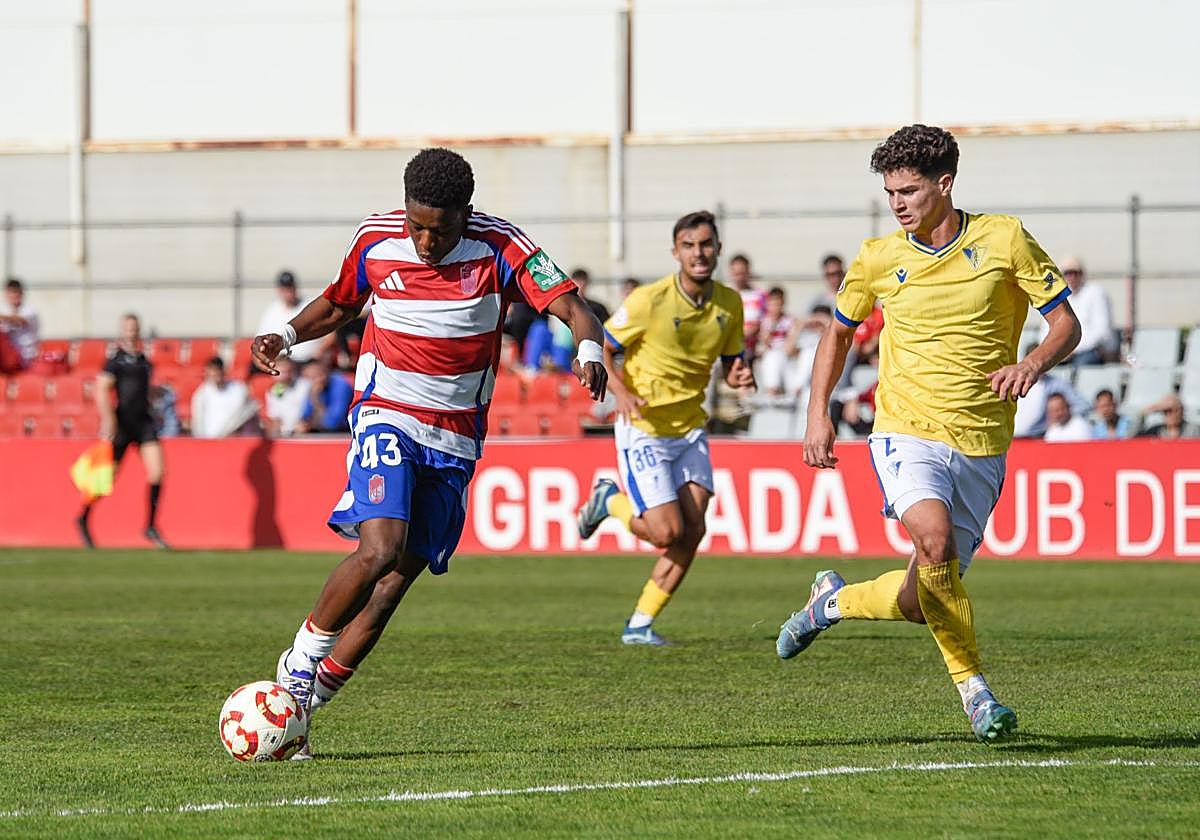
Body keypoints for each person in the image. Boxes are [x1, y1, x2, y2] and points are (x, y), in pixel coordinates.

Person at [252, 148, 607, 758]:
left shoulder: (501, 246)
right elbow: (341, 302)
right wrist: (285, 334)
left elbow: (574, 307)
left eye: (438, 230)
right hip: (386, 414)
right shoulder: (377, 239)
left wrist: (589, 350)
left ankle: (302, 710)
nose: (422, 241)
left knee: (391, 587)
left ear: (465, 215)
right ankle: (298, 665)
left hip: (456, 438)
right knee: (379, 548)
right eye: (416, 225)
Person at [775, 124, 1081, 742]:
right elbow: (837, 333)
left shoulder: (1005, 239)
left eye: (909, 190)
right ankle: (976, 693)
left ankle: (830, 602)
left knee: (923, 597)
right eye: (890, 192)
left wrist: (1031, 363)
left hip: (982, 442)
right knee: (934, 542)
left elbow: (1065, 325)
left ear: (945, 184)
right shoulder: (877, 258)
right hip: (904, 430)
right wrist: (817, 412)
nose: (898, 203)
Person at [576, 210, 756, 646]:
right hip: (645, 429)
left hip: (691, 427)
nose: (699, 253)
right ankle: (610, 502)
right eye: (690, 246)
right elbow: (600, 345)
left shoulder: (729, 304)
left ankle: (639, 625)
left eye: (706, 244)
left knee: (693, 532)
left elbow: (732, 361)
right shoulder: (649, 301)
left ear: (717, 248)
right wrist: (619, 392)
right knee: (665, 531)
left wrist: (739, 376)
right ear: (676, 252)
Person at [78, 313, 170, 549]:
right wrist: (109, 420)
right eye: (128, 329)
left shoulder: (144, 361)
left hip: (143, 422)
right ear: (122, 332)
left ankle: (150, 525)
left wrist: (155, 396)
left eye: (134, 328)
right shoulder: (115, 361)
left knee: (158, 472)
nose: (131, 333)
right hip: (123, 424)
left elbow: (143, 391)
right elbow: (101, 389)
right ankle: (84, 516)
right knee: (106, 479)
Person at [1036, 257, 1114, 365]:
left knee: (1084, 362)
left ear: (1082, 274)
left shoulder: (1095, 293)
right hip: (1063, 352)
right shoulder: (1055, 296)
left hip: (1089, 351)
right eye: (1067, 273)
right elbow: (1044, 332)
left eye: (1076, 273)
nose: (1072, 277)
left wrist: (1072, 350)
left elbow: (1101, 332)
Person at [254, 271, 321, 366]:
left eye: (290, 288)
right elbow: (261, 339)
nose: (287, 293)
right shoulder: (272, 311)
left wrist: (320, 351)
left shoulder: (309, 305)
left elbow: (330, 332)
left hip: (309, 362)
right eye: (284, 289)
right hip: (281, 363)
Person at [755, 286, 799, 399]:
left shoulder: (790, 321)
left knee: (778, 358)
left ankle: (780, 392)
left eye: (778, 304)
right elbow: (764, 344)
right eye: (772, 304)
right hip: (771, 357)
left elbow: (791, 344)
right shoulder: (765, 322)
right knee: (773, 357)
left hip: (786, 357)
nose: (775, 308)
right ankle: (772, 390)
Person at [297, 358, 354, 434]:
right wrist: (302, 424)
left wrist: (315, 399)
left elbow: (334, 422)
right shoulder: (312, 387)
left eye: (317, 375)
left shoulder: (341, 385)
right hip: (322, 432)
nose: (316, 380)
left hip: (343, 433)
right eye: (311, 378)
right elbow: (305, 416)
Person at [727, 253, 766, 362]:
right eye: (736, 273)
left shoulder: (760, 296)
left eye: (742, 273)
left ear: (748, 272)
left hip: (752, 348)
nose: (739, 277)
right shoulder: (725, 295)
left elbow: (764, 322)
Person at [264, 357, 311, 437]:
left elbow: (310, 411)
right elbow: (276, 417)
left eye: (288, 371)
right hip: (285, 434)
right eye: (282, 371)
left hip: (305, 432)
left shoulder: (305, 385)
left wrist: (305, 423)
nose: (286, 375)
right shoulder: (272, 391)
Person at [0, 278, 39, 374]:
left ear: (21, 294)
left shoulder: (30, 311)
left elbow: (18, 320)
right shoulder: (4, 310)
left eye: (16, 292)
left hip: (26, 356)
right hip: (8, 357)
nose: (14, 295)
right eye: (11, 293)